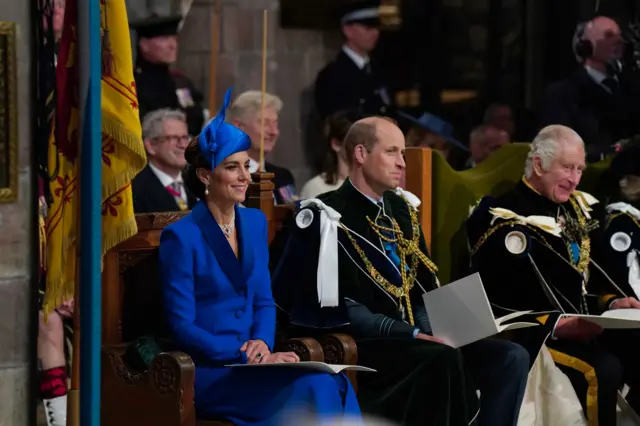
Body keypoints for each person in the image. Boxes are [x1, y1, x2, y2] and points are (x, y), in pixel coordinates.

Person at [273, 117, 530, 426]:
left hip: (419, 340)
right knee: (441, 358)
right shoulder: (324, 215)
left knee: (511, 358)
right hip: (368, 345)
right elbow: (335, 308)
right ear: (360, 154)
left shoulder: (401, 210)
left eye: (403, 154)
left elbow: (420, 288)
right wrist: (415, 334)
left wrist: (448, 327)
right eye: (392, 152)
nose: (401, 163)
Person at [158, 88, 361, 425]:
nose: (244, 177)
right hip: (212, 371)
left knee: (333, 381)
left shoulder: (253, 222)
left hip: (256, 359)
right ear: (205, 176)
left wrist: (263, 345)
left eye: (246, 166)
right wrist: (244, 354)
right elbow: (182, 325)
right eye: (232, 167)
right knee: (315, 388)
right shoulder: (181, 236)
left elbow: (264, 301)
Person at [466, 124, 640, 425]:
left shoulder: (579, 210)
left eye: (579, 170)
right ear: (539, 164)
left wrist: (613, 303)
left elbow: (596, 277)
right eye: (567, 168)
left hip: (592, 328)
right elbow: (494, 295)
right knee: (604, 368)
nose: (574, 180)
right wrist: (557, 324)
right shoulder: (502, 215)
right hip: (539, 335)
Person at [539, 16, 640, 162]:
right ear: (585, 46)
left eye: (619, 36)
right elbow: (558, 151)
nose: (619, 41)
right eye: (609, 35)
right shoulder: (562, 94)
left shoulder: (632, 89)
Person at [314, 0, 392, 120]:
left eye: (377, 27)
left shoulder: (377, 70)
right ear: (347, 30)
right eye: (368, 27)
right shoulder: (332, 76)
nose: (375, 32)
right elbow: (338, 124)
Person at [131, 15, 206, 137]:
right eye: (165, 39)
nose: (173, 45)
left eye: (175, 39)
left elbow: (196, 120)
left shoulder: (181, 82)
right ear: (144, 45)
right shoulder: (133, 84)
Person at [227, 90, 297, 204]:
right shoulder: (225, 178)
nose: (274, 132)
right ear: (239, 127)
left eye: (275, 123)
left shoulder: (283, 177)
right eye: (265, 123)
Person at [132, 109, 197, 213]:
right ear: (151, 146)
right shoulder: (135, 192)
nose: (183, 145)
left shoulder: (198, 184)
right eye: (174, 138)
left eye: (185, 137)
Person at [300, 110, 359, 199]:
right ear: (335, 144)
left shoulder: (374, 185)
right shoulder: (317, 187)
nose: (361, 148)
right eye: (354, 141)